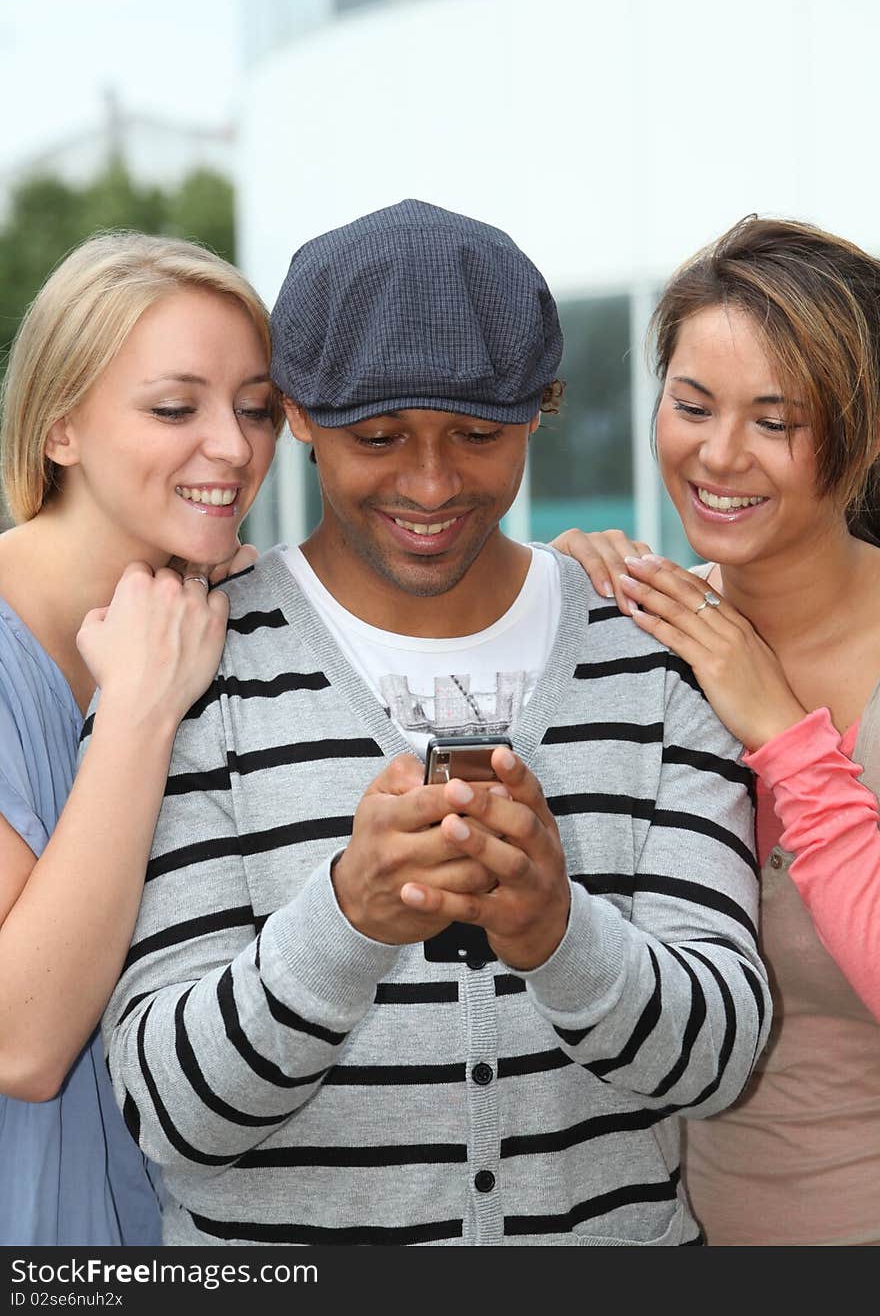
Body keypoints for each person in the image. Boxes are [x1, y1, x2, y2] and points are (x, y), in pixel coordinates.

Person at [101, 198, 770, 1248]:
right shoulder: (186, 667)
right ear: (299, 419)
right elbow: (169, 1110)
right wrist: (345, 920)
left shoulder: (658, 655)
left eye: (475, 435)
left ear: (540, 410)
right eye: (377, 437)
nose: (428, 483)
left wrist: (559, 933)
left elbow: (718, 1061)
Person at [551, 214, 880, 1245]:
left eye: (773, 420)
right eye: (691, 405)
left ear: (863, 438)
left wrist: (779, 729)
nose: (718, 453)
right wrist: (542, 604)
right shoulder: (641, 631)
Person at [0, 230, 282, 1245]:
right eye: (176, 406)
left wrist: (571, 566)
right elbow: (23, 1037)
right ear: (60, 425)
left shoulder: (221, 608)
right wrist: (139, 711)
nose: (235, 445)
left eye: (256, 407)